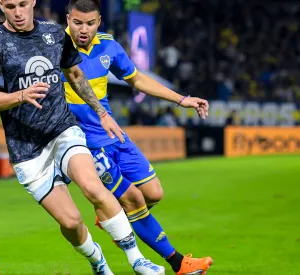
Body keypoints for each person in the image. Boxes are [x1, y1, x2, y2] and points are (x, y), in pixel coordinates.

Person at [0, 0, 163, 274]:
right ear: (1, 4)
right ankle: (98, 262)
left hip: (63, 130)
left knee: (93, 187)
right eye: (11, 6)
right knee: (72, 222)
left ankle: (137, 259)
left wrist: (101, 112)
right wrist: (20, 95)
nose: (18, 12)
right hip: (27, 149)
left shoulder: (53, 34)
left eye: (23, 4)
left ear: (33, 2)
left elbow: (75, 75)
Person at [63, 0, 214, 274]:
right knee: (133, 198)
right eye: (77, 22)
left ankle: (111, 215)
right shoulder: (56, 47)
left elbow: (137, 80)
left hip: (113, 133)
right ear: (68, 19)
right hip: (84, 143)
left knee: (154, 192)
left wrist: (182, 99)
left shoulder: (109, 45)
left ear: (99, 21)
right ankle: (179, 263)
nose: (83, 29)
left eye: (90, 23)